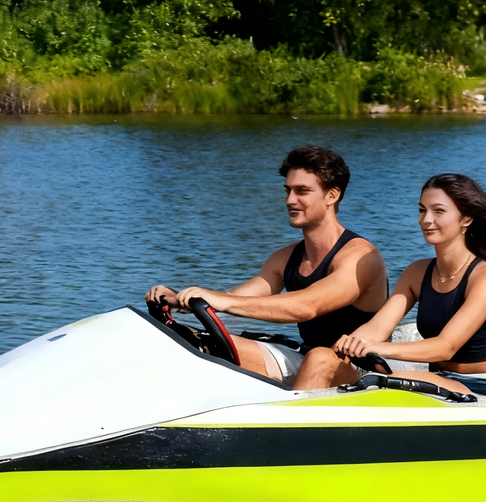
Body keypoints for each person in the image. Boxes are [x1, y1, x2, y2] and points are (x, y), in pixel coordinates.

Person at [145, 146, 387, 387]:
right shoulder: (285, 257)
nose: (290, 200)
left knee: (320, 358)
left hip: (362, 371)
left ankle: (287, 410)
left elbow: (307, 306)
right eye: (288, 190)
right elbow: (236, 298)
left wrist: (222, 301)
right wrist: (180, 300)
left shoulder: (361, 256)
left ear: (331, 196)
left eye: (302, 191)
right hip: (305, 357)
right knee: (196, 341)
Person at [298, 173, 486, 396]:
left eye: (438, 211)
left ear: (466, 219)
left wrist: (377, 348)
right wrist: (346, 345)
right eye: (422, 210)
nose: (426, 220)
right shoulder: (417, 272)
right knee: (320, 358)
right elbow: (377, 328)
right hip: (438, 379)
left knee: (381, 382)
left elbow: (446, 347)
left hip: (482, 386)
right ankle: (292, 418)